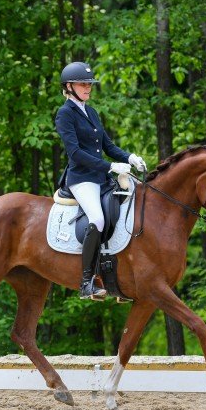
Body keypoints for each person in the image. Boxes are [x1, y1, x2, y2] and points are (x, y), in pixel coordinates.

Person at [55, 61, 147, 300]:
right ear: (69, 86)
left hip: (100, 177)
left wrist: (130, 157)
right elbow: (75, 153)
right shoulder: (65, 114)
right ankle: (86, 282)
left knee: (127, 207)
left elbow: (107, 145)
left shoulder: (91, 112)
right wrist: (110, 166)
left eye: (90, 84)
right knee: (97, 218)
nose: (88, 88)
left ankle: (117, 279)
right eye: (83, 84)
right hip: (81, 178)